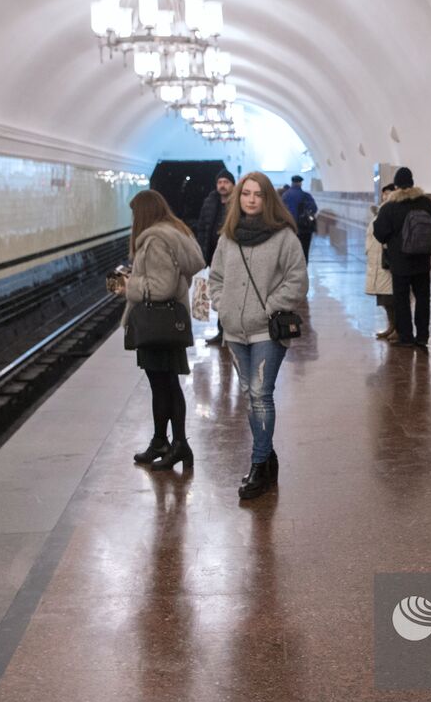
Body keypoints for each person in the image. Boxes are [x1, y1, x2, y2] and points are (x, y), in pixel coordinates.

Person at [210, 171, 309, 500]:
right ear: (238, 199)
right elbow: (216, 277)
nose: (251, 199)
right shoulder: (228, 237)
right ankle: (268, 460)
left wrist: (269, 307)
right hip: (234, 331)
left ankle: (258, 464)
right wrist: (221, 306)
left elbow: (297, 281)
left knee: (260, 394)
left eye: (258, 194)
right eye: (246, 194)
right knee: (251, 396)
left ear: (268, 199)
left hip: (267, 330)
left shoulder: (283, 237)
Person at [124, 190, 206, 470]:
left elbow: (161, 287)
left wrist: (129, 286)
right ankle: (162, 441)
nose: (133, 219)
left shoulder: (155, 240)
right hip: (166, 323)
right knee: (164, 385)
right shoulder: (172, 231)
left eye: (135, 213)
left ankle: (179, 443)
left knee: (165, 386)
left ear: (144, 213)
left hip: (157, 323)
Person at [372, 167, 431, 347]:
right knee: (423, 298)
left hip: (400, 261)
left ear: (396, 185)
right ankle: (423, 336)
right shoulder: (425, 202)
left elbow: (379, 232)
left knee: (401, 299)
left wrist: (393, 240)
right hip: (422, 260)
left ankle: (406, 337)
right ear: (412, 183)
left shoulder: (390, 207)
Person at [196, 168, 236, 345]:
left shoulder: (238, 203)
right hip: (214, 257)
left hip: (233, 258)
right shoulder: (209, 202)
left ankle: (231, 331)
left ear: (233, 185)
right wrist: (202, 255)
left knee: (231, 294)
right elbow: (203, 228)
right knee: (218, 293)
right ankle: (221, 332)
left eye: (226, 182)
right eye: (220, 182)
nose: (222, 185)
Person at [365, 183, 397, 339]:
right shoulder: (382, 210)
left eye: (388, 192)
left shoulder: (391, 210)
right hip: (378, 260)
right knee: (385, 299)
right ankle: (391, 326)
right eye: (384, 193)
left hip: (387, 260)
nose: (385, 196)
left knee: (392, 298)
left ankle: (397, 328)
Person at [281, 175, 319, 261]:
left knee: (290, 252)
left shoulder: (285, 196)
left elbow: (281, 211)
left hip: (290, 228)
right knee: (304, 250)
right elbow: (314, 209)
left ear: (292, 182)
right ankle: (303, 269)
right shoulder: (306, 196)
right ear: (300, 183)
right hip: (305, 229)